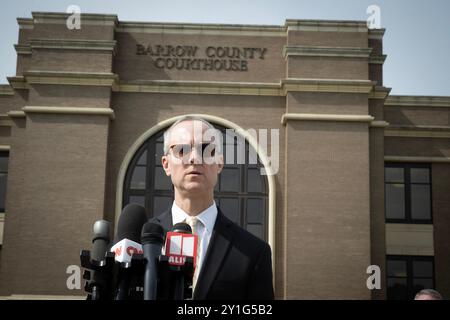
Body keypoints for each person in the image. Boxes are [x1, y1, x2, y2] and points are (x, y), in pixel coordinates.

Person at [149, 116, 274, 300]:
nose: (194, 158)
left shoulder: (253, 252)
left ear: (220, 163)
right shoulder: (142, 241)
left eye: (206, 149)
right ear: (166, 164)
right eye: (182, 150)